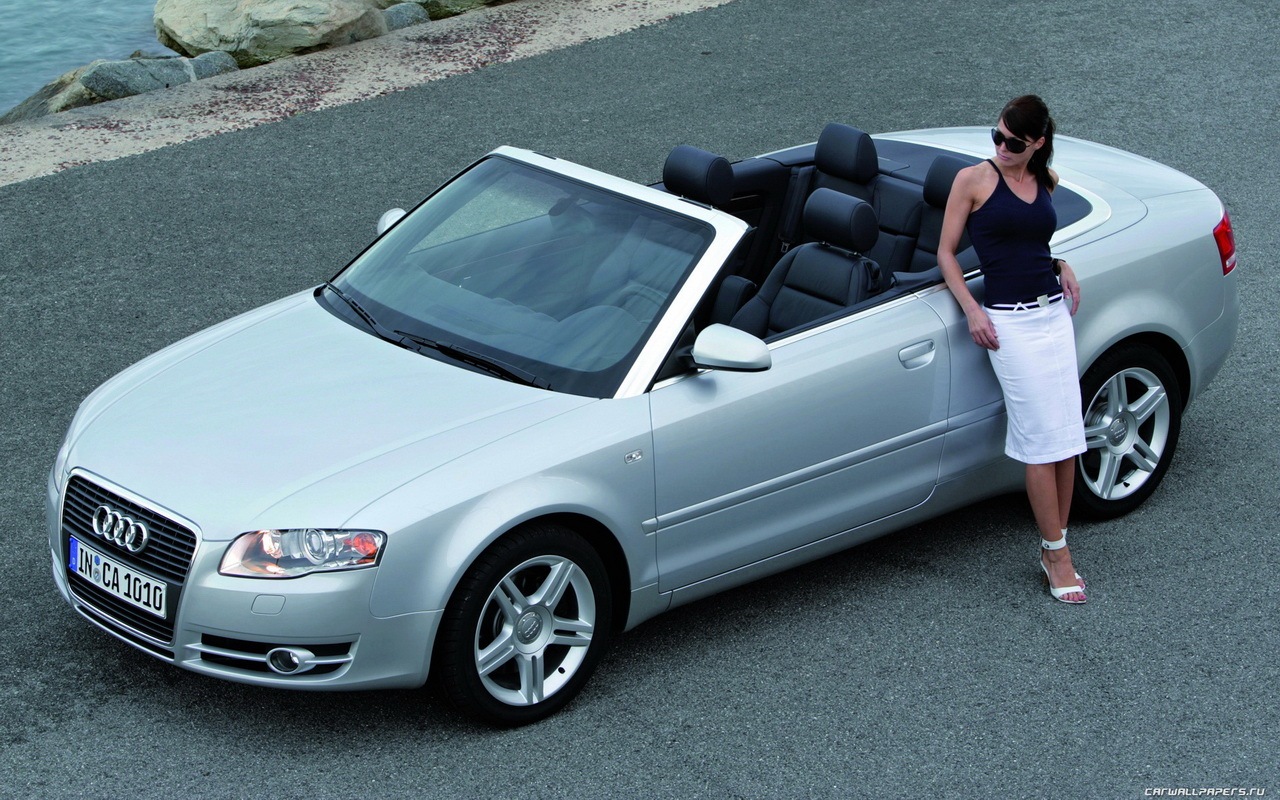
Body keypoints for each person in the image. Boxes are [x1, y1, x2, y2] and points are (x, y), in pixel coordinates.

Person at [937, 95, 1088, 604]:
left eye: (1014, 142)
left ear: (1038, 144)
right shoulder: (973, 181)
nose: (1002, 147)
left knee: (1067, 436)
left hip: (1053, 316)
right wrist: (972, 310)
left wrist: (1060, 263)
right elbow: (946, 254)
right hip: (1010, 324)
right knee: (1041, 440)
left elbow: (1032, 245)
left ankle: (1056, 541)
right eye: (997, 136)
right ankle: (1056, 554)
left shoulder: (1047, 181)